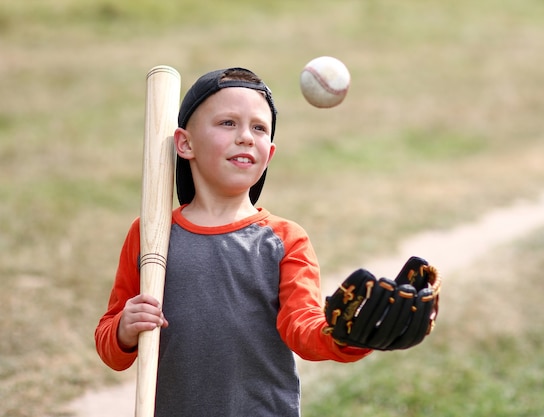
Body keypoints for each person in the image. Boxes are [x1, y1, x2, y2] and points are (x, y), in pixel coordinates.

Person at [94, 67, 373, 416]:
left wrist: (345, 335)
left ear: (268, 154)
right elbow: (108, 344)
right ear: (185, 143)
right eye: (228, 123)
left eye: (258, 128)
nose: (245, 137)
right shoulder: (152, 233)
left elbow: (302, 326)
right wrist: (124, 328)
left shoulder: (284, 239)